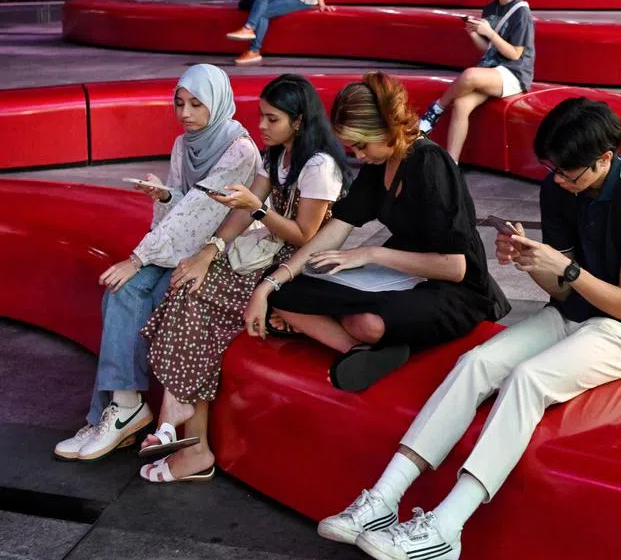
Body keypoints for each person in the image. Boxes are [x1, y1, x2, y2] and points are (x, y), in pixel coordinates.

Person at [316, 97, 621, 560]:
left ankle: (447, 528)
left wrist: (565, 267)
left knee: (528, 379)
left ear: (605, 159)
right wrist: (531, 262)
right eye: (554, 171)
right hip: (570, 312)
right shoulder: (559, 186)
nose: (561, 182)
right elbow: (560, 289)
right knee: (476, 363)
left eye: (571, 174)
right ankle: (383, 497)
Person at [137, 75, 350, 483]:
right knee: (188, 285)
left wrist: (258, 208)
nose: (263, 127)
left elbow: (305, 234)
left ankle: (188, 437)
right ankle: (181, 430)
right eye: (261, 117)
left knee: (197, 305)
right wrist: (210, 250)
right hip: (266, 250)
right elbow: (240, 211)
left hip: (300, 264)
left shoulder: (319, 166)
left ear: (299, 121)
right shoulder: (277, 155)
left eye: (272, 119)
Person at [243, 73, 506, 392]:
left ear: (386, 129)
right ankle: (364, 352)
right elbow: (335, 230)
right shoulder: (378, 164)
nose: (357, 155)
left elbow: (455, 267)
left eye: (360, 145)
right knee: (282, 289)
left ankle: (369, 343)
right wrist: (269, 285)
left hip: (456, 291)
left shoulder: (430, 164)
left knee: (365, 322)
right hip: (400, 276)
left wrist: (370, 253)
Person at [53, 65, 260, 463]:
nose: (185, 113)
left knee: (141, 285)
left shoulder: (239, 149)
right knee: (123, 288)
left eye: (197, 104)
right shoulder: (185, 144)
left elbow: (201, 211)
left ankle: (116, 413)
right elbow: (182, 205)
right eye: (179, 103)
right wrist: (164, 196)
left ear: (217, 102)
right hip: (181, 246)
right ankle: (122, 406)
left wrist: (138, 257)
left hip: (218, 254)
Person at [418, 0, 535, 161]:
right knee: (462, 104)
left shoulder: (521, 12)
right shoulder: (490, 8)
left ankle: (436, 109)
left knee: (470, 75)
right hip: (491, 69)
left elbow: (515, 54)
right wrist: (474, 33)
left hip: (514, 73)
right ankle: (451, 164)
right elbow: (488, 49)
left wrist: (489, 32)